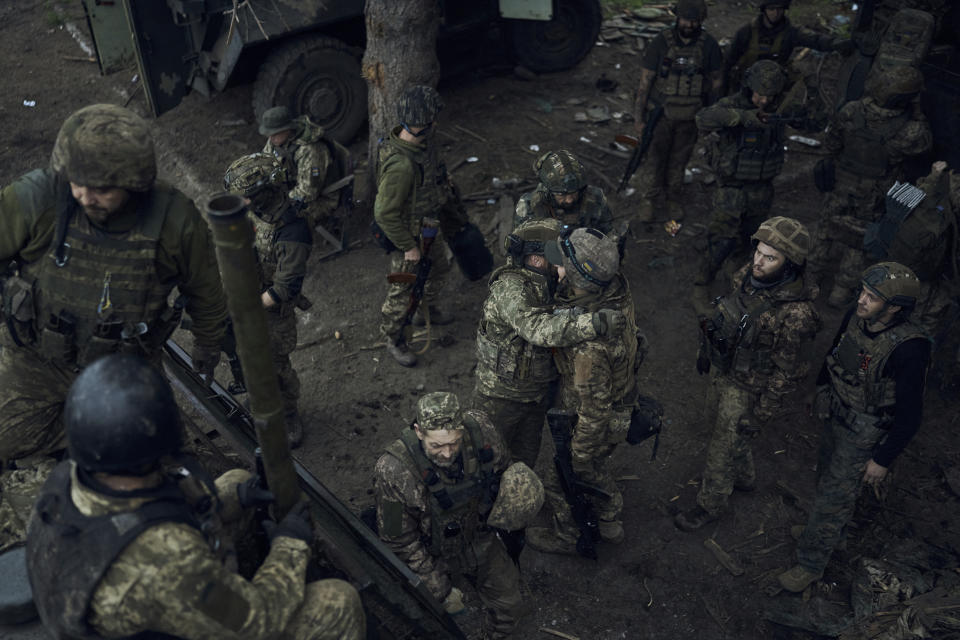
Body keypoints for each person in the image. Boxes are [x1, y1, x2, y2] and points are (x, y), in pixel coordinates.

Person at [0, 103, 227, 552]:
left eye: (102, 188)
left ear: (134, 183)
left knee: (161, 485)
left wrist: (208, 346)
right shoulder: (37, 199)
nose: (84, 196)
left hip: (125, 376)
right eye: (77, 183)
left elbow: (207, 294)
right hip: (35, 363)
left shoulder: (174, 222)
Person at [26, 353, 366, 639]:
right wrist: (290, 545)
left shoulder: (66, 479)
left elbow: (154, 508)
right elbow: (257, 620)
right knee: (338, 603)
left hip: (134, 600)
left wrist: (236, 498)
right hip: (185, 602)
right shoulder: (166, 559)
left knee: (236, 482)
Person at [779, 262, 932, 592]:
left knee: (834, 497)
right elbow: (835, 353)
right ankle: (831, 533)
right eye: (862, 292)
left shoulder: (909, 349)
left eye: (872, 297)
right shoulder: (857, 315)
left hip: (864, 433)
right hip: (837, 413)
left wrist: (882, 460)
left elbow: (910, 414)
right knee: (827, 481)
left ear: (893, 308)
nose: (861, 300)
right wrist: (818, 390)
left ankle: (810, 563)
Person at [675, 217, 821, 531]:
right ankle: (744, 476)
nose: (758, 261)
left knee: (721, 449)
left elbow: (786, 373)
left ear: (790, 264)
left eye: (770, 258)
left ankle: (709, 505)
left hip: (747, 389)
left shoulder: (796, 314)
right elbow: (729, 315)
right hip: (724, 370)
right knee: (719, 429)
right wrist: (708, 352)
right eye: (759, 252)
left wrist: (762, 414)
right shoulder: (747, 276)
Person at [374, 392, 531, 639]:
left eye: (454, 443)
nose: (447, 454)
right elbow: (396, 537)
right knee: (433, 616)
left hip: (480, 537)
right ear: (418, 431)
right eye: (436, 445)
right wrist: (432, 579)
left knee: (512, 607)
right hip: (432, 553)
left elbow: (504, 469)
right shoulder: (393, 470)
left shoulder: (481, 431)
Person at [474, 219, 626, 469]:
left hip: (536, 391)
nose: (560, 264)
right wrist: (593, 324)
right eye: (554, 258)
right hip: (500, 395)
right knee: (488, 458)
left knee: (525, 456)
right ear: (535, 260)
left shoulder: (545, 279)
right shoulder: (510, 289)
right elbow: (537, 329)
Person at [527, 228, 641, 554]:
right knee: (595, 466)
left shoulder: (589, 345)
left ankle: (566, 537)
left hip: (598, 415)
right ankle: (610, 517)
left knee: (560, 478)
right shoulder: (617, 293)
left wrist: (577, 455)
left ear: (579, 276)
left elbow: (594, 410)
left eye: (561, 265)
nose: (555, 268)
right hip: (621, 397)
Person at [806, 66, 933, 307]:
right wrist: (917, 112)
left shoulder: (851, 110)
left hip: (841, 183)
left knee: (824, 229)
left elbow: (832, 144)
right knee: (859, 239)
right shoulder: (911, 130)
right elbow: (923, 146)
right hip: (875, 193)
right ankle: (841, 291)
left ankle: (810, 276)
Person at [224, 152, 314, 447]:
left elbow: (287, 285)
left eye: (246, 197)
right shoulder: (257, 213)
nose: (242, 203)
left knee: (276, 364)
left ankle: (288, 413)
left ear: (263, 194)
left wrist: (249, 306)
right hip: (251, 295)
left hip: (273, 312)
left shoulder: (292, 228)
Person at [374, 85, 454, 367]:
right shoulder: (401, 165)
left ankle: (425, 308)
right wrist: (408, 247)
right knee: (401, 293)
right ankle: (394, 339)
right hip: (409, 238)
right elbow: (384, 213)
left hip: (428, 229)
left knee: (440, 269)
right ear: (425, 121)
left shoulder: (419, 145)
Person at [694, 59, 794, 285]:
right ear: (750, 87)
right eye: (760, 95)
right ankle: (702, 283)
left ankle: (736, 274)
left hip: (762, 187)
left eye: (770, 95)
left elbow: (814, 122)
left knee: (751, 239)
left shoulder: (780, 108)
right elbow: (703, 118)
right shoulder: (733, 104)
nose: (765, 101)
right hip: (732, 188)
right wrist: (745, 117)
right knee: (720, 240)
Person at [632, 0, 723, 222]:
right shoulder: (661, 42)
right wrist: (639, 118)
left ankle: (673, 197)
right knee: (654, 158)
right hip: (660, 115)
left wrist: (711, 117)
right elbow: (645, 84)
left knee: (679, 160)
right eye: (685, 19)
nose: (689, 24)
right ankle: (649, 198)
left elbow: (717, 83)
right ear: (677, 18)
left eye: (694, 20)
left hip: (690, 117)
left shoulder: (709, 45)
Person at [725, 0, 854, 90]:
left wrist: (836, 43)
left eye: (779, 9)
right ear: (764, 10)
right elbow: (729, 61)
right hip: (746, 84)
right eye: (771, 9)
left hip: (775, 84)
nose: (775, 13)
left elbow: (815, 39)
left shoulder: (790, 32)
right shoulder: (746, 32)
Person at [259, 106, 340, 230]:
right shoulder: (277, 140)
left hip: (318, 200)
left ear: (287, 129)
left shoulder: (311, 150)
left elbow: (307, 193)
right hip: (290, 189)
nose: (270, 138)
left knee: (272, 224)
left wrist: (278, 205)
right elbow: (265, 163)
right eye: (269, 134)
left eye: (274, 134)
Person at [513, 149, 614, 233]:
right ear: (549, 191)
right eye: (562, 195)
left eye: (574, 193)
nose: (569, 200)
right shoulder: (529, 205)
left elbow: (608, 232)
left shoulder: (595, 198)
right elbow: (518, 245)